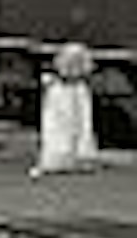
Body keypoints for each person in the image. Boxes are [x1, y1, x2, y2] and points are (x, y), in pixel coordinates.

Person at [30, 37, 98, 176]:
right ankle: (69, 159)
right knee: (66, 123)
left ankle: (72, 158)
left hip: (67, 89)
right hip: (65, 88)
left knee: (73, 122)